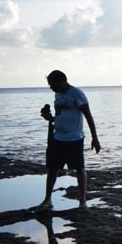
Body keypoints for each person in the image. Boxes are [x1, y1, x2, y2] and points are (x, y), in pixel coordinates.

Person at [38, 70, 100, 210]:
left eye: (52, 84)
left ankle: (82, 202)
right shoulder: (58, 94)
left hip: (74, 139)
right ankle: (47, 200)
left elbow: (88, 116)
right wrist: (49, 117)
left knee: (79, 169)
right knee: (52, 169)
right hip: (57, 137)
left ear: (62, 81)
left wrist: (95, 138)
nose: (51, 87)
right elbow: (59, 116)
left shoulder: (77, 94)